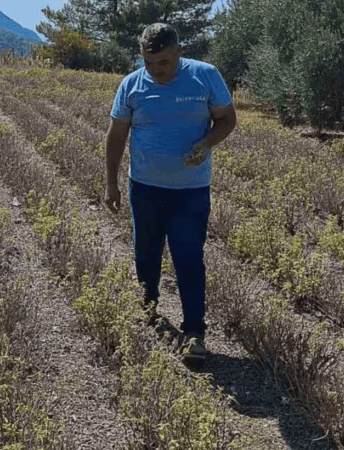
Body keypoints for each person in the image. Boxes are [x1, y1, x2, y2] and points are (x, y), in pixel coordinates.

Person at [104, 23, 237, 361]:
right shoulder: (131, 85)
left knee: (189, 259)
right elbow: (117, 134)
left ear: (180, 51)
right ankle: (147, 310)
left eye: (163, 62)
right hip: (144, 188)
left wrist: (206, 143)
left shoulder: (205, 76)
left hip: (190, 191)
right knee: (145, 254)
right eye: (149, 63)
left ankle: (194, 333)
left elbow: (227, 119)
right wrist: (111, 182)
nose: (156, 70)